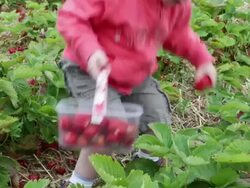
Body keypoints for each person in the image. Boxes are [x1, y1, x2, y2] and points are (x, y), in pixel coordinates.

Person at [56, 0, 217, 187]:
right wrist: (90, 51)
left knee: (157, 120)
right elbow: (72, 17)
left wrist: (202, 59)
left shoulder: (178, 6)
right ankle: (80, 182)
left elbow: (178, 33)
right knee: (109, 126)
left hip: (136, 76)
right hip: (90, 69)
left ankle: (145, 168)